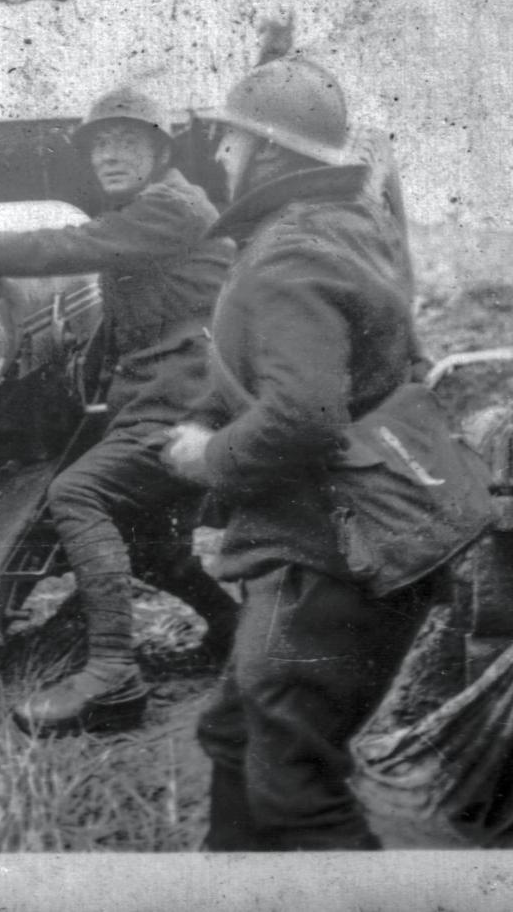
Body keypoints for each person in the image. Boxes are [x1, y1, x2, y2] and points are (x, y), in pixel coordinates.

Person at [0, 87, 240, 736]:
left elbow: (64, 248)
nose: (110, 155)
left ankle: (113, 679)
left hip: (189, 404)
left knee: (77, 495)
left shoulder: (171, 208)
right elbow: (128, 320)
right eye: (100, 145)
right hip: (165, 397)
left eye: (127, 142)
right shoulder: (144, 211)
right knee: (155, 547)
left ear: (160, 151)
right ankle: (236, 631)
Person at [159, 55, 440, 851]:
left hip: (322, 558)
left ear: (269, 151)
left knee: (296, 796)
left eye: (229, 140)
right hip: (345, 538)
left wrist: (206, 455)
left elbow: (305, 413)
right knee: (235, 735)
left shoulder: (291, 251)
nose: (217, 156)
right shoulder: (346, 231)